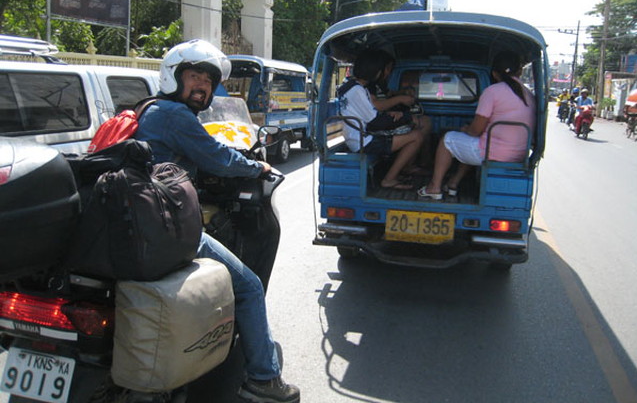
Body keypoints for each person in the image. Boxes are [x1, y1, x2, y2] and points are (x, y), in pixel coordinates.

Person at [135, 39, 299, 403]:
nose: (203, 86)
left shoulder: (149, 109)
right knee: (250, 287)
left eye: (209, 81)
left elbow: (200, 149)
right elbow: (219, 159)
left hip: (141, 219)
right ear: (173, 78)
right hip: (170, 225)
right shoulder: (174, 115)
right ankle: (263, 377)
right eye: (195, 76)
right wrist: (258, 165)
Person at [417, 50, 535, 200]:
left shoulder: (493, 91)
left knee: (447, 139)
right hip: (518, 154)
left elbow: (475, 131)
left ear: (494, 74)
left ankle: (434, 187)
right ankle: (453, 183)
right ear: (519, 72)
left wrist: (466, 129)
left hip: (493, 153)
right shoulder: (529, 94)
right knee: (469, 144)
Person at [337, 50, 424, 190]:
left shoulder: (354, 87)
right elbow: (376, 122)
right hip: (363, 142)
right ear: (374, 70)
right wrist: (405, 117)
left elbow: (371, 114)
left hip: (360, 137)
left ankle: (397, 173)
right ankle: (389, 179)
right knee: (417, 136)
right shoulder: (357, 90)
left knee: (410, 131)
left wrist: (393, 114)